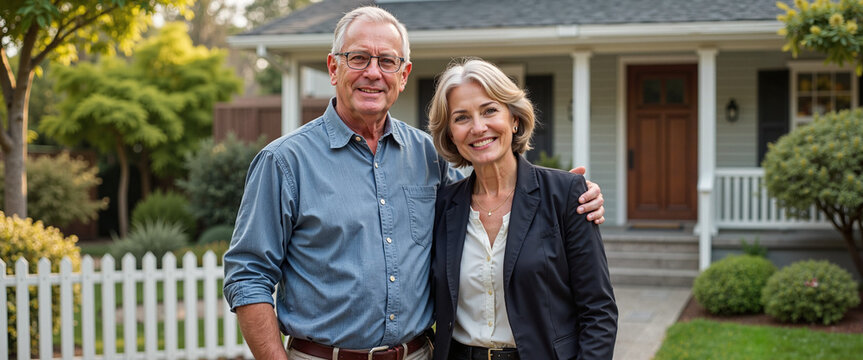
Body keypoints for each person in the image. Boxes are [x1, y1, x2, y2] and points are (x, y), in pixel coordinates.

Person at [223, 6, 606, 360]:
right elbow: (248, 275)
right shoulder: (285, 162)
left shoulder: (428, 158)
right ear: (333, 68)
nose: (373, 72)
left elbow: (494, 183)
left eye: (387, 61)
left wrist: (566, 194)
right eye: (358, 58)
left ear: (403, 75)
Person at [428, 59, 618, 360]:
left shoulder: (566, 196)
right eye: (462, 118)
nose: (478, 127)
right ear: (451, 134)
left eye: (490, 110)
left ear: (514, 119)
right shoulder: (442, 206)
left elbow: (599, 312)